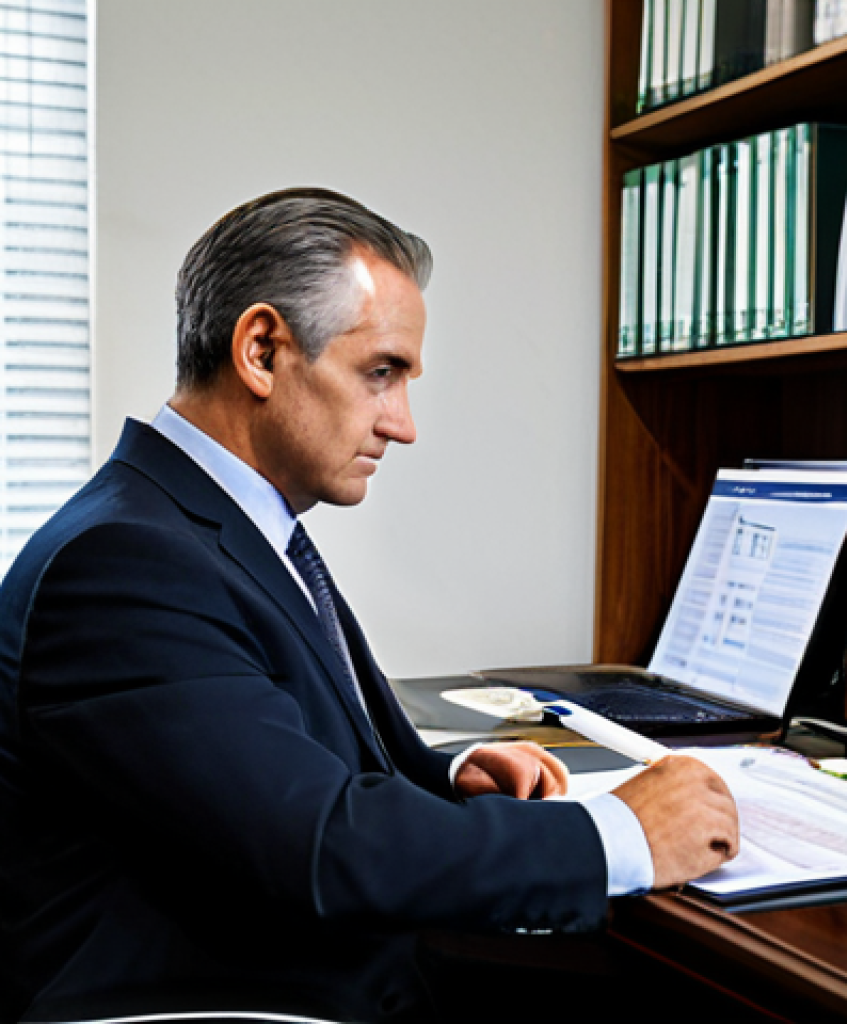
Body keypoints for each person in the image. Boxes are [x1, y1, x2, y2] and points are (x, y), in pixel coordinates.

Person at [0, 188, 739, 1024]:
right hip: (235, 1000)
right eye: (380, 373)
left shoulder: (217, 524)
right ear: (263, 350)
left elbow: (264, 766)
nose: (404, 424)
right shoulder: (124, 565)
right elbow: (317, 845)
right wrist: (623, 836)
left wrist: (446, 780)